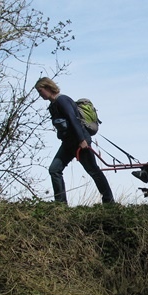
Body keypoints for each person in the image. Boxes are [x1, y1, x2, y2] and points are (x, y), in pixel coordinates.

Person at [35, 77, 114, 205]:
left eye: (40, 91)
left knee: (93, 170)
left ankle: (109, 201)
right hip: (67, 144)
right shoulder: (53, 105)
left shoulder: (62, 100)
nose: (40, 95)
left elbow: (73, 120)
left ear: (48, 88)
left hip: (80, 142)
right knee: (54, 170)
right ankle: (61, 204)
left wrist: (82, 140)